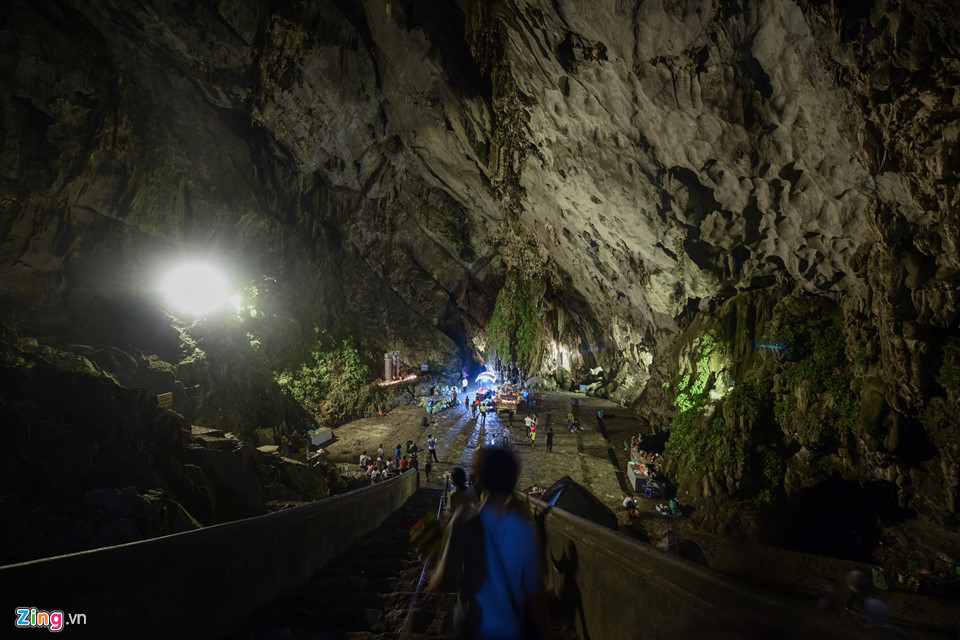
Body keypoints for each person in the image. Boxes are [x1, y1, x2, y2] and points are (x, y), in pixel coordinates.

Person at [431, 448, 550, 640]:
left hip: (472, 626)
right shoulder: (524, 530)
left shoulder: (463, 521)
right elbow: (535, 592)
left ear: (478, 478)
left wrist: (435, 556)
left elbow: (445, 582)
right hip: (511, 628)